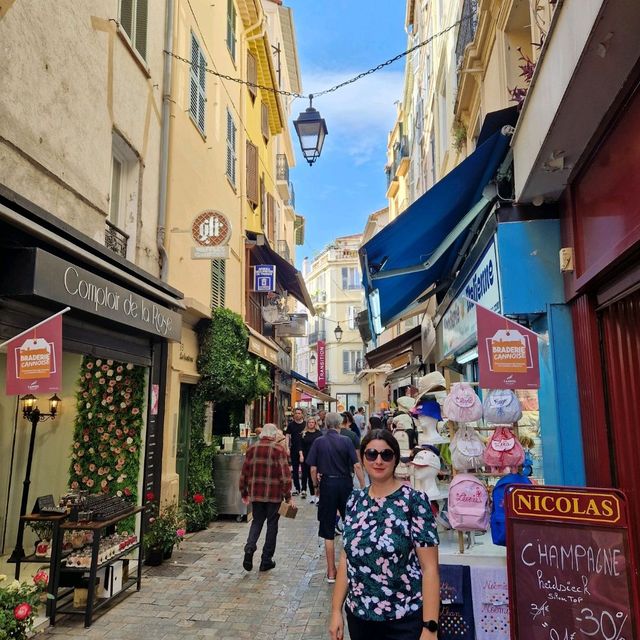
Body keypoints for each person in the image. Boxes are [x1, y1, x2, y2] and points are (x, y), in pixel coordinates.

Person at [329, 429, 440, 640]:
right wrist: (336, 611)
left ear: (395, 459)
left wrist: (430, 627)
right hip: (360, 618)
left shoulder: (414, 501)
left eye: (386, 455)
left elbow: (430, 568)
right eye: (371, 454)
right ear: (362, 458)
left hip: (404, 619)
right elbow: (346, 558)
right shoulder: (355, 500)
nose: (378, 460)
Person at [306, 412, 365, 583]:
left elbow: (312, 469)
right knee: (351, 524)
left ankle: (331, 571)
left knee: (328, 530)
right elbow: (357, 465)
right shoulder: (346, 441)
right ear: (339, 424)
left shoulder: (319, 442)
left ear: (325, 424)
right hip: (345, 483)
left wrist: (316, 487)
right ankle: (352, 567)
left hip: (327, 485)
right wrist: (362, 486)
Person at [239, 423, 293, 573]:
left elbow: (244, 473)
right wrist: (288, 495)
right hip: (274, 495)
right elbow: (285, 475)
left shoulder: (252, 449)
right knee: (272, 525)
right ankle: (266, 560)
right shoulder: (278, 449)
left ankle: (249, 548)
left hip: (256, 493)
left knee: (256, 522)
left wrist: (244, 492)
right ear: (274, 435)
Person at [300, 416, 323, 502]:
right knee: (309, 476)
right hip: (306, 456)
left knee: (317, 476)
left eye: (312, 422)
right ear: (307, 424)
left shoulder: (319, 434)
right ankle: (312, 495)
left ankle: (318, 494)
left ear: (315, 424)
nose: (311, 424)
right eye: (309, 422)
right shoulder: (304, 433)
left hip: (317, 456)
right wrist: (301, 455)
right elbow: (300, 446)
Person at [285, 407, 306, 495]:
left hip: (304, 449)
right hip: (294, 449)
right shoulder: (291, 425)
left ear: (302, 414)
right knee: (295, 469)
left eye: (299, 413)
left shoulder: (305, 424)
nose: (297, 415)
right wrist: (287, 448)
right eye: (296, 413)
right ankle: (297, 488)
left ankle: (304, 489)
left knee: (305, 470)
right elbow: (287, 437)